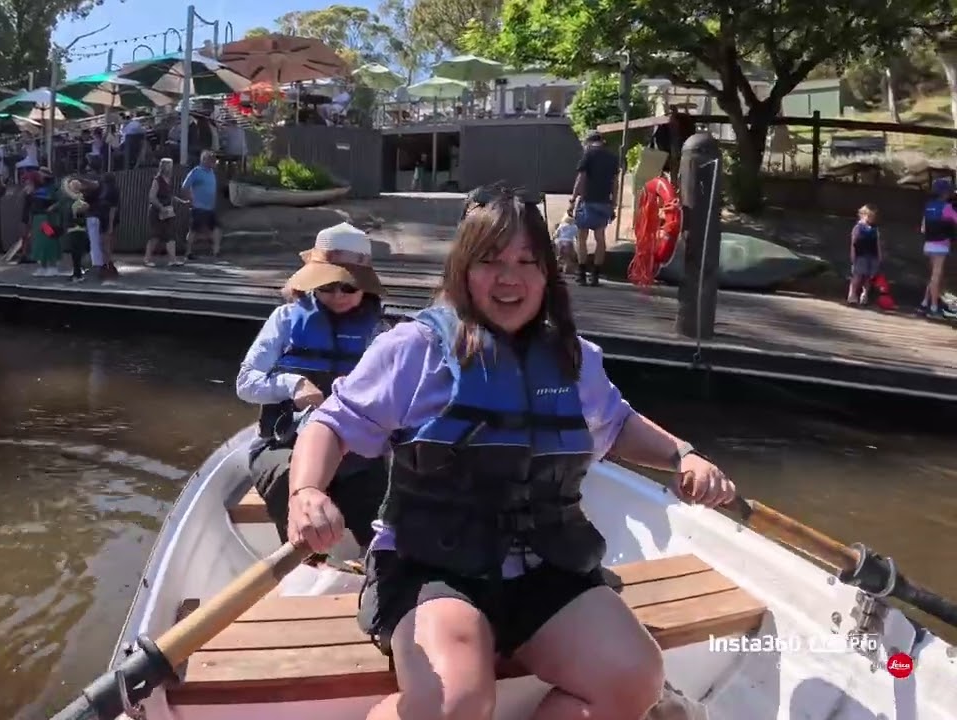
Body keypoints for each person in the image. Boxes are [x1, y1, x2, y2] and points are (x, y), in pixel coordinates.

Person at [284, 187, 738, 720]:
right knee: (456, 699)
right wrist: (307, 491)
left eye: (528, 261)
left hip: (548, 565)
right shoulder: (412, 350)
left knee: (634, 676)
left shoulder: (574, 358)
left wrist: (683, 454)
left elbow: (616, 425)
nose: (510, 278)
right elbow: (331, 426)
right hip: (432, 566)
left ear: (548, 273)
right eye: (491, 260)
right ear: (462, 268)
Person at [236, 222, 391, 555]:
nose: (337, 296)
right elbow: (246, 383)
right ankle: (304, 562)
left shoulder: (380, 331)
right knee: (286, 480)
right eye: (326, 286)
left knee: (379, 500)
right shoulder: (285, 319)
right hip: (283, 443)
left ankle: (373, 565)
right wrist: (293, 384)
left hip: (356, 451)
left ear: (365, 287)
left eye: (348, 287)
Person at [571, 129, 620, 286]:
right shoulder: (612, 158)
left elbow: (581, 178)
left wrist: (573, 198)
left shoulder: (588, 155)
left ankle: (581, 274)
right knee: (600, 238)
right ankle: (596, 275)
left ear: (588, 142)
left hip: (588, 202)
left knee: (582, 238)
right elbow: (615, 182)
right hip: (604, 203)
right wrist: (614, 202)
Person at [920, 177, 957, 318]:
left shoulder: (928, 206)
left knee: (933, 276)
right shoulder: (947, 207)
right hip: (941, 246)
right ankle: (934, 308)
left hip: (928, 244)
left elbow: (923, 228)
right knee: (936, 277)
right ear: (945, 193)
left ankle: (925, 303)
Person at [182, 150, 221, 261]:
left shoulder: (211, 172)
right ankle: (188, 252)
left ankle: (216, 251)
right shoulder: (196, 171)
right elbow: (185, 186)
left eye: (213, 160)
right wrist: (190, 199)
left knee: (216, 228)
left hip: (210, 207)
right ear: (204, 160)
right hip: (198, 206)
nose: (213, 162)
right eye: (210, 160)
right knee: (194, 230)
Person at [145, 158, 183, 267]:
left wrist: (180, 201)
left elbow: (169, 195)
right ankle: (147, 259)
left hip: (168, 211)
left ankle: (173, 260)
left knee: (170, 235)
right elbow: (152, 197)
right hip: (157, 211)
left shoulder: (169, 179)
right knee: (155, 236)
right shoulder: (157, 180)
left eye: (171, 165)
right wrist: (161, 207)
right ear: (163, 167)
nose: (171, 168)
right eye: (168, 165)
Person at [23, 167, 60, 277]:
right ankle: (43, 266)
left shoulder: (52, 188)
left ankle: (53, 266)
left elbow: (59, 201)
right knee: (39, 243)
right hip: (37, 218)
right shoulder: (36, 190)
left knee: (49, 242)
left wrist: (52, 208)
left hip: (47, 218)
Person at [847, 204, 882, 306]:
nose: (871, 218)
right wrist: (853, 254)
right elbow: (853, 242)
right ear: (862, 215)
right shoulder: (858, 227)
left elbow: (877, 242)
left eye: (873, 216)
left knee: (868, 277)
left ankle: (865, 295)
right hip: (861, 254)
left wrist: (879, 255)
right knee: (857, 275)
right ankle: (852, 295)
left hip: (872, 254)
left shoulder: (875, 229)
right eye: (869, 216)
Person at [552, 210, 579, 276]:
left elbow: (556, 234)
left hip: (560, 242)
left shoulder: (562, 226)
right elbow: (576, 236)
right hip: (569, 242)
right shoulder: (575, 227)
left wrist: (554, 238)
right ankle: (567, 269)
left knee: (559, 256)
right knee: (568, 257)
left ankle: (555, 268)